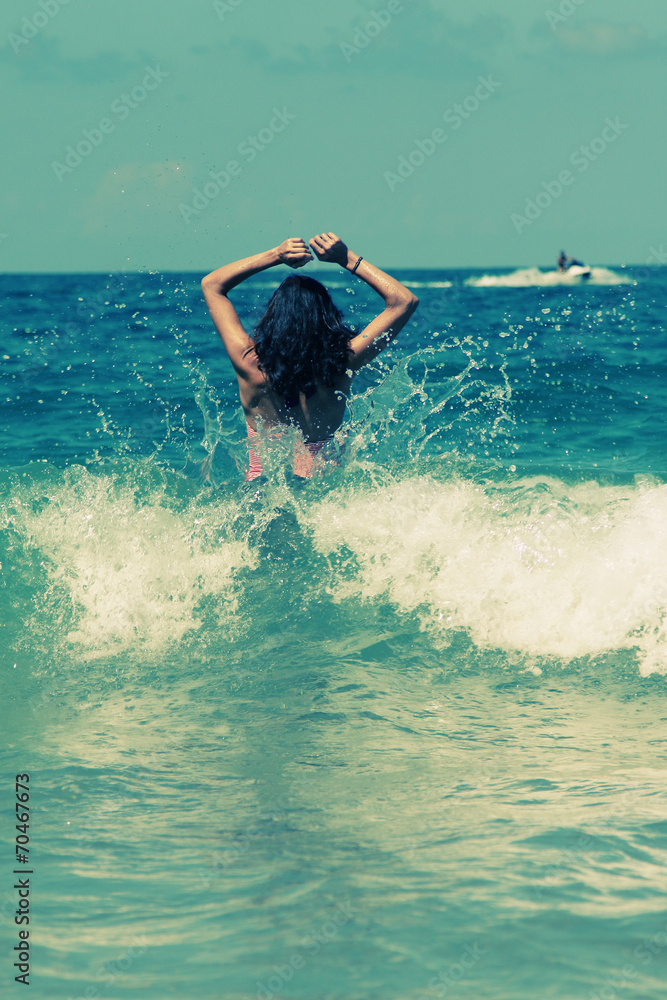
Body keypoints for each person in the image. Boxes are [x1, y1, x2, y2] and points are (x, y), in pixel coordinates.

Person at [201, 233, 419, 480]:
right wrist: (346, 258)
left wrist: (276, 255)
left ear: (274, 317)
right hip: (322, 492)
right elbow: (404, 301)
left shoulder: (250, 362)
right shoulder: (343, 362)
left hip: (263, 491)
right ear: (327, 317)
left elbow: (212, 285)